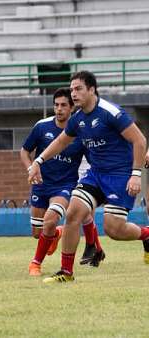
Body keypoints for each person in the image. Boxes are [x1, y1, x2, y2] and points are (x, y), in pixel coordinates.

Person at [28, 71, 148, 283]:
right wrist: (39, 161)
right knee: (73, 213)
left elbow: (139, 140)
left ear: (92, 90)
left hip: (120, 175)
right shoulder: (78, 119)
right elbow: (60, 142)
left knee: (114, 229)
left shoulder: (111, 112)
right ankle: (66, 272)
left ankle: (146, 234)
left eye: (78, 89)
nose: (73, 94)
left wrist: (136, 175)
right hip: (95, 174)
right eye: (72, 89)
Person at [22, 88, 104, 277]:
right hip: (41, 185)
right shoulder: (42, 126)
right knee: (38, 232)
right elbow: (24, 151)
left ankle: (35, 264)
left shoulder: (81, 133)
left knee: (50, 219)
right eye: (56, 105)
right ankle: (57, 233)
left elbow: (93, 160)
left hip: (64, 186)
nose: (59, 109)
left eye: (63, 105)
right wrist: (31, 168)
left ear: (72, 107)